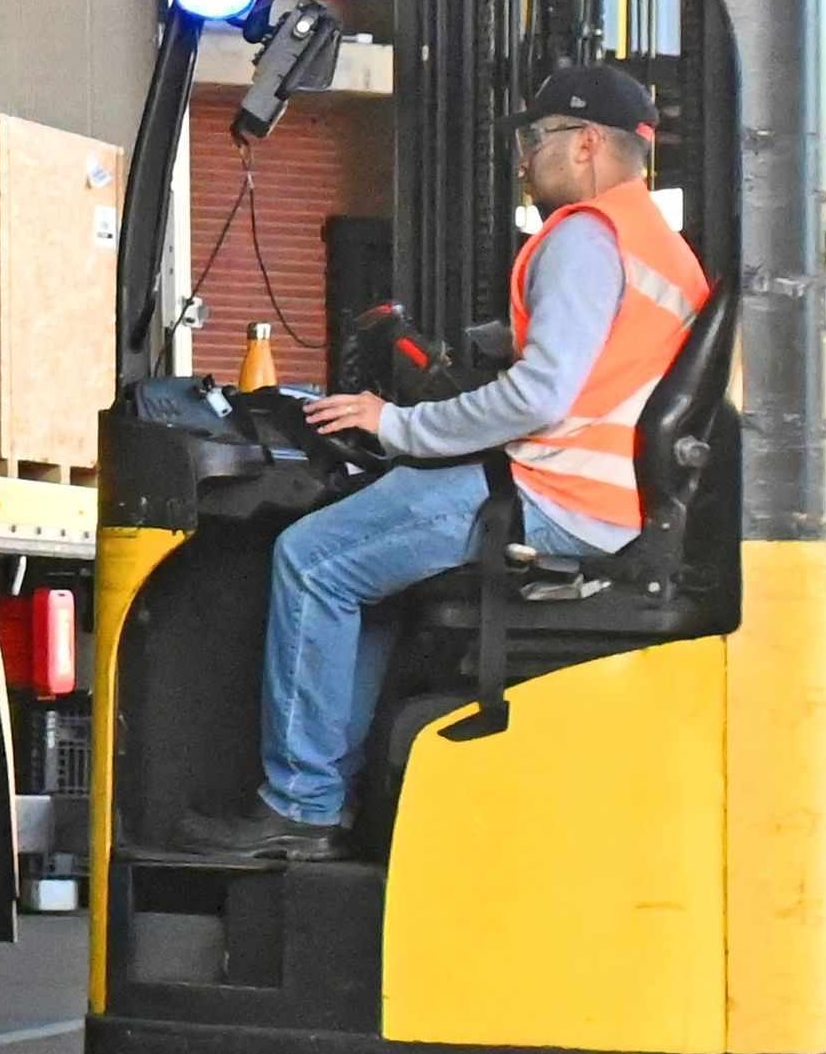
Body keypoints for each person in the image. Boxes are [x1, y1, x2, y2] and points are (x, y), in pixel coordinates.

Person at [191, 59, 714, 862]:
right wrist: (468, 353)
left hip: (549, 490)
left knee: (310, 557)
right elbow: (591, 353)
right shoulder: (660, 246)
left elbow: (542, 394)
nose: (524, 157)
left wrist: (396, 423)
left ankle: (298, 805)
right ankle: (343, 797)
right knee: (365, 577)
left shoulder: (584, 234)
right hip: (608, 501)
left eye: (534, 138)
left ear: (583, 144)